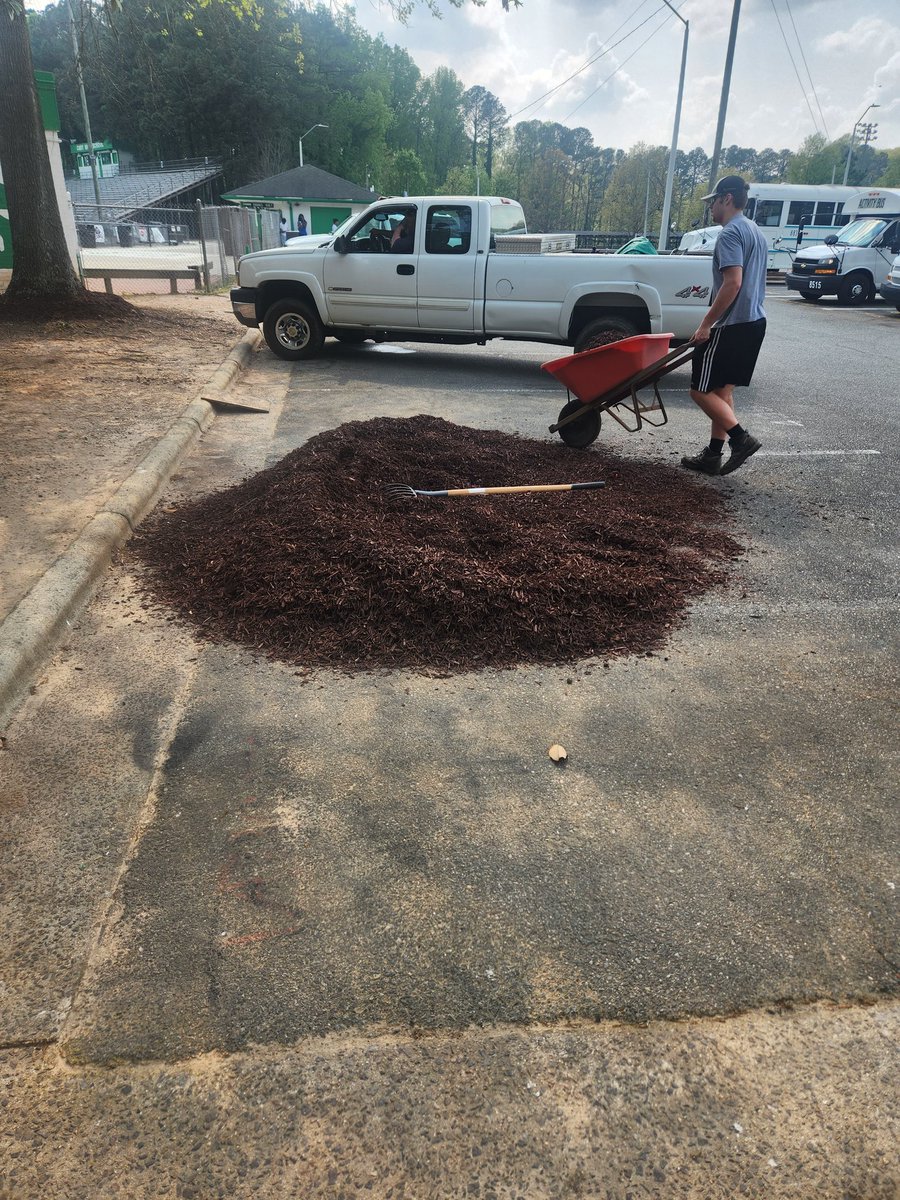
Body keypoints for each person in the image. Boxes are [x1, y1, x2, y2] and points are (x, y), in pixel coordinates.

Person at [681, 175, 767, 477]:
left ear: (727, 199)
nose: (711, 209)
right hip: (754, 322)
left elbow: (733, 283)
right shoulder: (753, 230)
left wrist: (707, 324)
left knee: (698, 391)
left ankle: (741, 440)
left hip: (731, 325)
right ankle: (713, 455)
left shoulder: (730, 234)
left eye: (713, 202)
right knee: (720, 390)